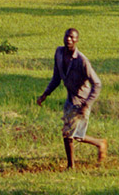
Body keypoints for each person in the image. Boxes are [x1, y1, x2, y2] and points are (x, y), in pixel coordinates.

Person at [37, 27, 106, 168]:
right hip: (70, 98)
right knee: (71, 134)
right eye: (67, 36)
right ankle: (98, 144)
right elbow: (56, 77)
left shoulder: (82, 61)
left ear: (77, 40)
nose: (69, 39)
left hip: (81, 101)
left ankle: (72, 165)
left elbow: (97, 84)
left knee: (70, 134)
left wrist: (87, 104)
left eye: (72, 37)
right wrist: (45, 94)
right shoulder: (59, 53)